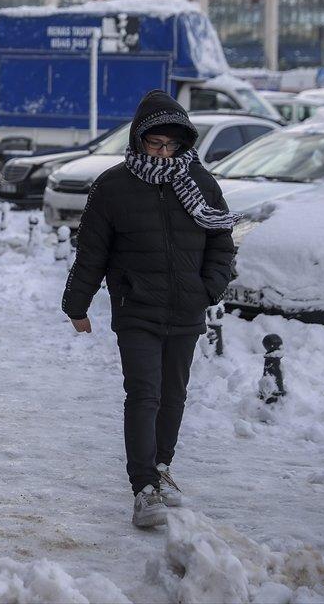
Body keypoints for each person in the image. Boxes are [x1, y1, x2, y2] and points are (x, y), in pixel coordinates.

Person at [61, 90, 236, 529]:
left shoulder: (200, 182)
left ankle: (161, 467)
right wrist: (77, 304)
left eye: (170, 145)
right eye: (154, 144)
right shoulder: (113, 186)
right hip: (136, 306)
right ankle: (143, 488)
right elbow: (92, 251)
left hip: (186, 308)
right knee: (144, 394)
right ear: (139, 140)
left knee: (174, 395)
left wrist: (209, 288)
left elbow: (221, 241)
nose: (162, 153)